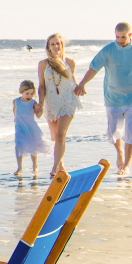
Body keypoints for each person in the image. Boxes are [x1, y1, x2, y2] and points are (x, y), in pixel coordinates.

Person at [74, 22, 132, 173]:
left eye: (123, 37)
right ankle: (119, 152)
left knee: (131, 131)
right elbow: (94, 68)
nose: (120, 40)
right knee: (113, 132)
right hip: (112, 97)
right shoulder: (108, 50)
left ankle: (127, 165)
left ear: (130, 35)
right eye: (117, 37)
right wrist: (82, 84)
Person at [36, 32, 83, 176]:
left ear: (62, 46)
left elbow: (73, 80)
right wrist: (41, 104)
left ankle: (55, 168)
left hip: (68, 101)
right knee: (55, 136)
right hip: (51, 103)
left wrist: (80, 87)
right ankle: (61, 166)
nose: (56, 46)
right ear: (48, 47)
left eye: (59, 43)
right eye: (53, 44)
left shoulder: (70, 62)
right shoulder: (43, 64)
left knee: (61, 134)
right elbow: (42, 86)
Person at [12, 80, 46, 178]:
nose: (29, 96)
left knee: (33, 146)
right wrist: (16, 118)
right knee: (18, 146)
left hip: (30, 127)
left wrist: (41, 110)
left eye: (31, 94)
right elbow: (15, 111)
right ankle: (19, 167)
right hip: (20, 127)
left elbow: (38, 116)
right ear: (21, 91)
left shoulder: (33, 102)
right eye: (27, 93)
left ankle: (35, 166)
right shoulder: (16, 101)